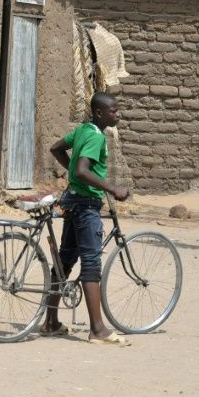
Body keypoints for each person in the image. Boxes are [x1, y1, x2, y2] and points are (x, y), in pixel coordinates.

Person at [38, 92, 131, 345]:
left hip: (72, 200)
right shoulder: (95, 135)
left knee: (65, 260)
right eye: (114, 110)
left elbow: (56, 148)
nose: (118, 114)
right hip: (86, 205)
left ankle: (50, 322)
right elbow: (82, 169)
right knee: (91, 264)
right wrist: (112, 188)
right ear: (100, 113)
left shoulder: (81, 130)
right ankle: (98, 330)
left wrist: (73, 174)